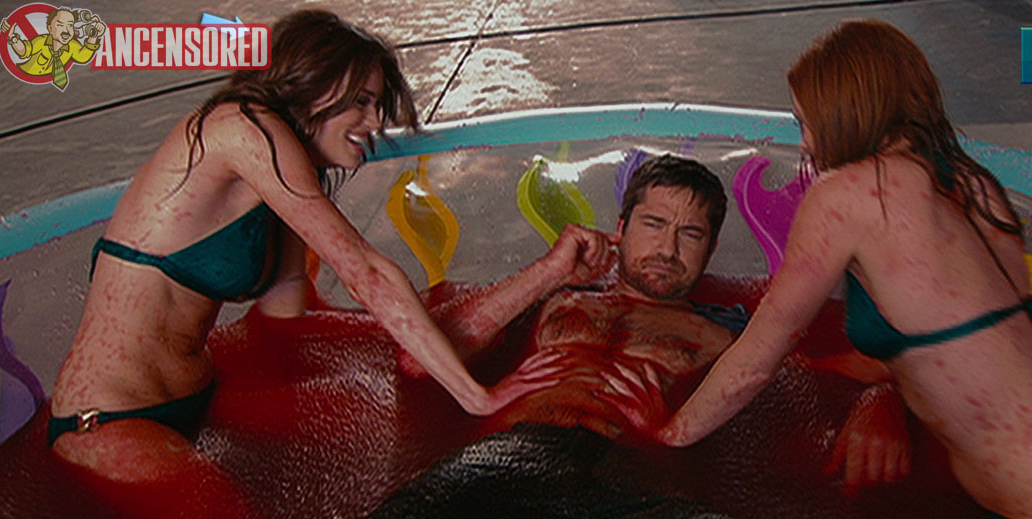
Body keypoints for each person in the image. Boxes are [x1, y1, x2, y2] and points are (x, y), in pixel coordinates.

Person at [617, 21, 1032, 519]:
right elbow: (970, 350)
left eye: (806, 122)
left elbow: (755, 361)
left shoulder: (849, 195)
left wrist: (662, 440)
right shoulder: (970, 186)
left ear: (847, 111)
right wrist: (857, 385)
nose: (804, 143)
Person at [47, 9, 554, 513]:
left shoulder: (281, 184)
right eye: (362, 102)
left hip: (197, 403)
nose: (375, 123)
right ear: (312, 83)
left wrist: (418, 351)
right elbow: (365, 273)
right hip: (109, 419)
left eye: (377, 104)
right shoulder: (242, 129)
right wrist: (476, 395)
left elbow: (287, 317)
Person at [370, 154, 909, 518]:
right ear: (621, 229)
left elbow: (850, 371)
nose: (668, 249)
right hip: (502, 461)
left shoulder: (728, 333)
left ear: (710, 249)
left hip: (621, 479)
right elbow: (420, 358)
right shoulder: (555, 298)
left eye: (690, 234)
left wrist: (880, 402)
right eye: (653, 225)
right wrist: (550, 271)